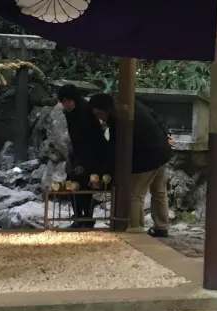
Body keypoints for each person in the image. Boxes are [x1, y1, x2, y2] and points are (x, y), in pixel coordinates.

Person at [88, 93, 173, 237]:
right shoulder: (134, 105)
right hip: (161, 150)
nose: (99, 118)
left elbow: (117, 148)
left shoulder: (121, 120)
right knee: (159, 192)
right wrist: (166, 134)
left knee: (135, 194)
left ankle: (135, 227)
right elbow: (156, 117)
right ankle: (161, 225)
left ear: (105, 109)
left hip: (148, 156)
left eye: (98, 114)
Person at [57, 84, 110, 228]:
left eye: (67, 101)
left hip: (94, 155)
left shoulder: (85, 112)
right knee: (72, 183)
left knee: (84, 184)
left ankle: (86, 218)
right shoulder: (71, 113)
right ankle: (80, 217)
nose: (65, 104)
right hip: (80, 153)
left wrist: (82, 163)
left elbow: (90, 141)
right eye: (63, 101)